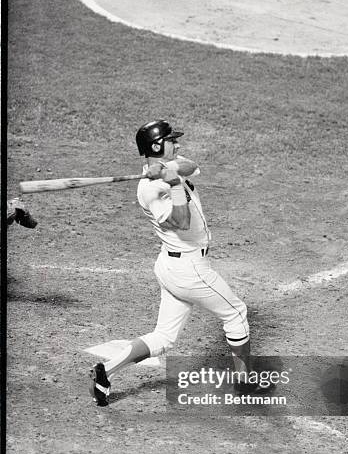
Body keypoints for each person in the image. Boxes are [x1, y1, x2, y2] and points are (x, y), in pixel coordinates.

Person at [89, 119, 255, 406]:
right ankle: (246, 384)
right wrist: (173, 184)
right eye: (171, 141)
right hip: (189, 270)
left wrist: (169, 168)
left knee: (164, 337)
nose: (177, 144)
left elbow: (191, 165)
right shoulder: (150, 190)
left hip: (170, 265)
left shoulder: (168, 166)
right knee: (236, 313)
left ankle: (106, 372)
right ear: (156, 145)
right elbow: (181, 220)